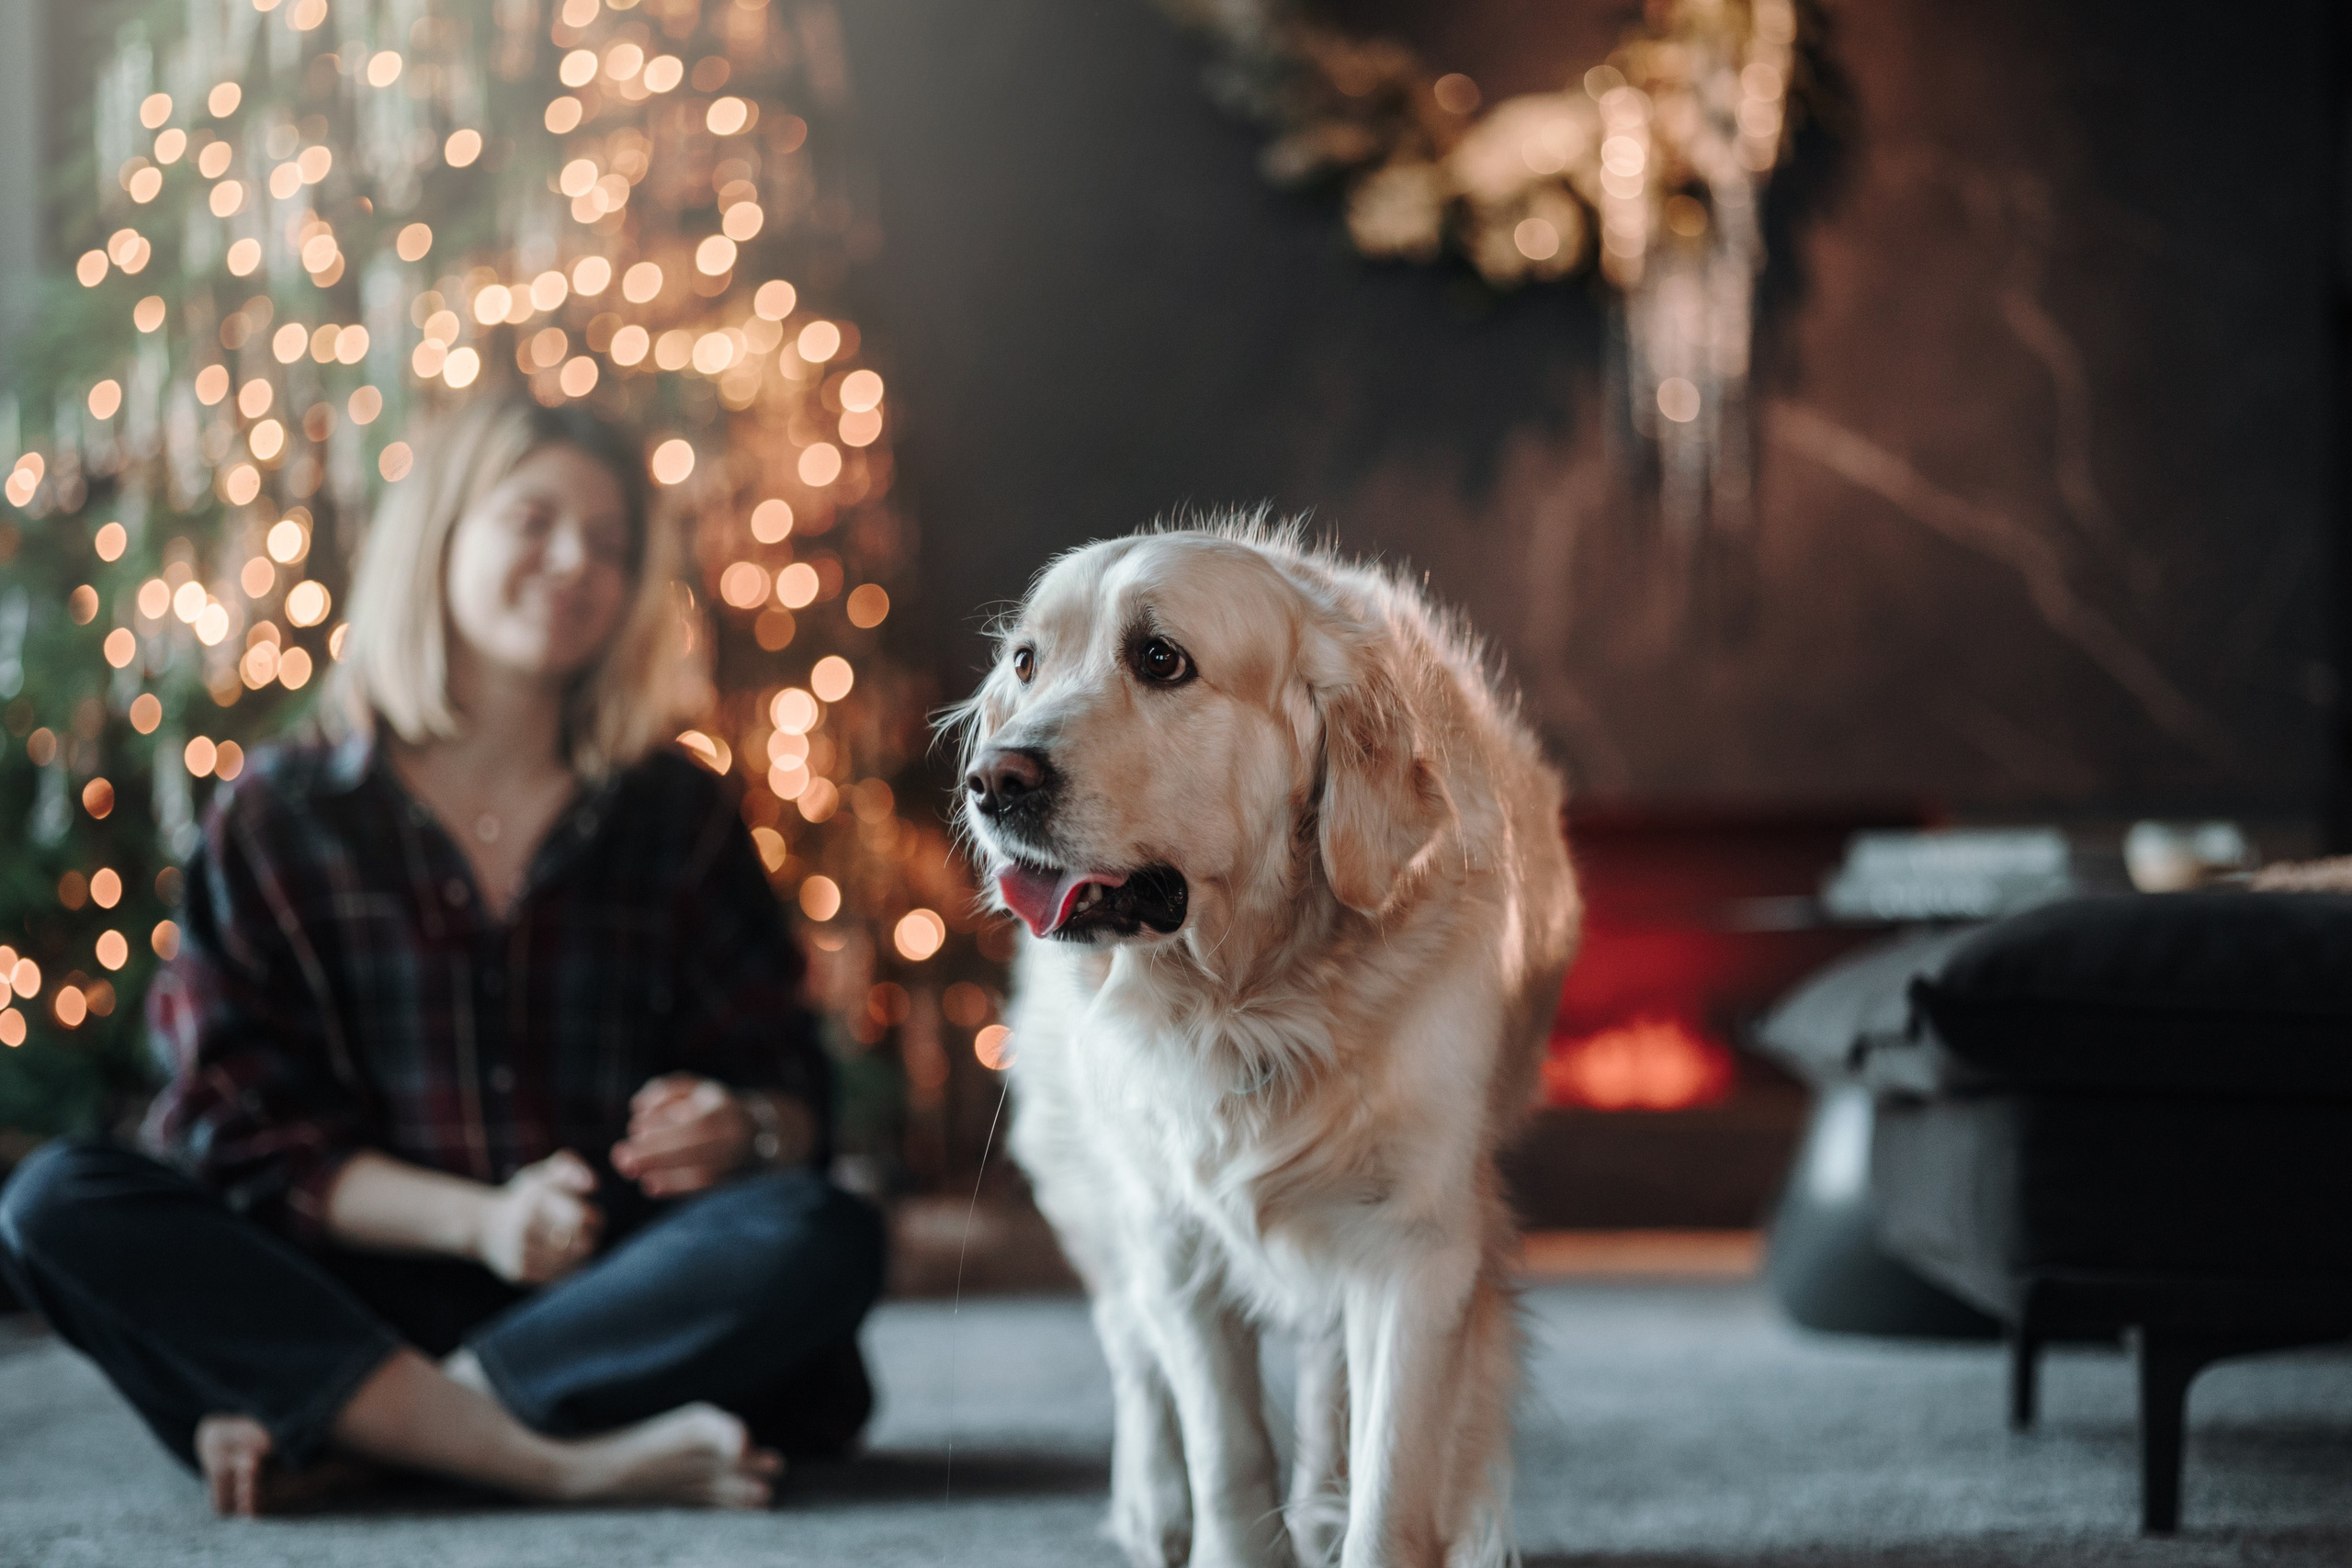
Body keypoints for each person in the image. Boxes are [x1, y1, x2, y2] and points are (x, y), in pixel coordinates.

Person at [0, 394, 883, 1514]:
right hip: (344, 1293)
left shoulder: (678, 813)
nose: (576, 563)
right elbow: (238, 1135)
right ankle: (554, 1458)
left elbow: (790, 1092)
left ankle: (370, 1435)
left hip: (609, 1292)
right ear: (443, 534)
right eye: (534, 519)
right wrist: (484, 1222)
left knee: (822, 1232)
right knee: (54, 1202)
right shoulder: (280, 813)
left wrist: (743, 1125)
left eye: (610, 546)